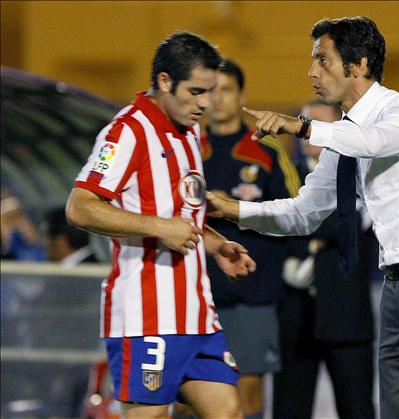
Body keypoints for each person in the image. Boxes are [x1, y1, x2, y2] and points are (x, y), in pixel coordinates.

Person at [207, 16, 399, 418]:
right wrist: (230, 209)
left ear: (358, 65)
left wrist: (302, 127)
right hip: (396, 289)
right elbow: (303, 213)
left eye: (322, 60)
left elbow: (373, 141)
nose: (312, 72)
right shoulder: (344, 137)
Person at [66, 32, 256, 419]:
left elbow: (179, 211)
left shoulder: (189, 129)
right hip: (147, 316)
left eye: (210, 91)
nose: (206, 103)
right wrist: (158, 227)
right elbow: (80, 207)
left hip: (196, 313)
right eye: (196, 91)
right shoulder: (128, 131)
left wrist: (216, 246)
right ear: (165, 81)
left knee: (230, 411)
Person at [201, 59, 301, 419]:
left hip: (252, 293)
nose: (217, 99)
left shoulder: (267, 150)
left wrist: (232, 208)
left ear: (242, 95)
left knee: (248, 393)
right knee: (191, 394)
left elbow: (294, 213)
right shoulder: (187, 149)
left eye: (226, 89)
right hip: (198, 294)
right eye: (210, 90)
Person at [273, 99, 376, 419]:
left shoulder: (361, 174)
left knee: (356, 408)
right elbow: (274, 225)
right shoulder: (284, 176)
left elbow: (352, 222)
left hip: (346, 315)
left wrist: (303, 226)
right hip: (295, 317)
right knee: (290, 410)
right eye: (304, 122)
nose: (307, 130)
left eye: (317, 123)